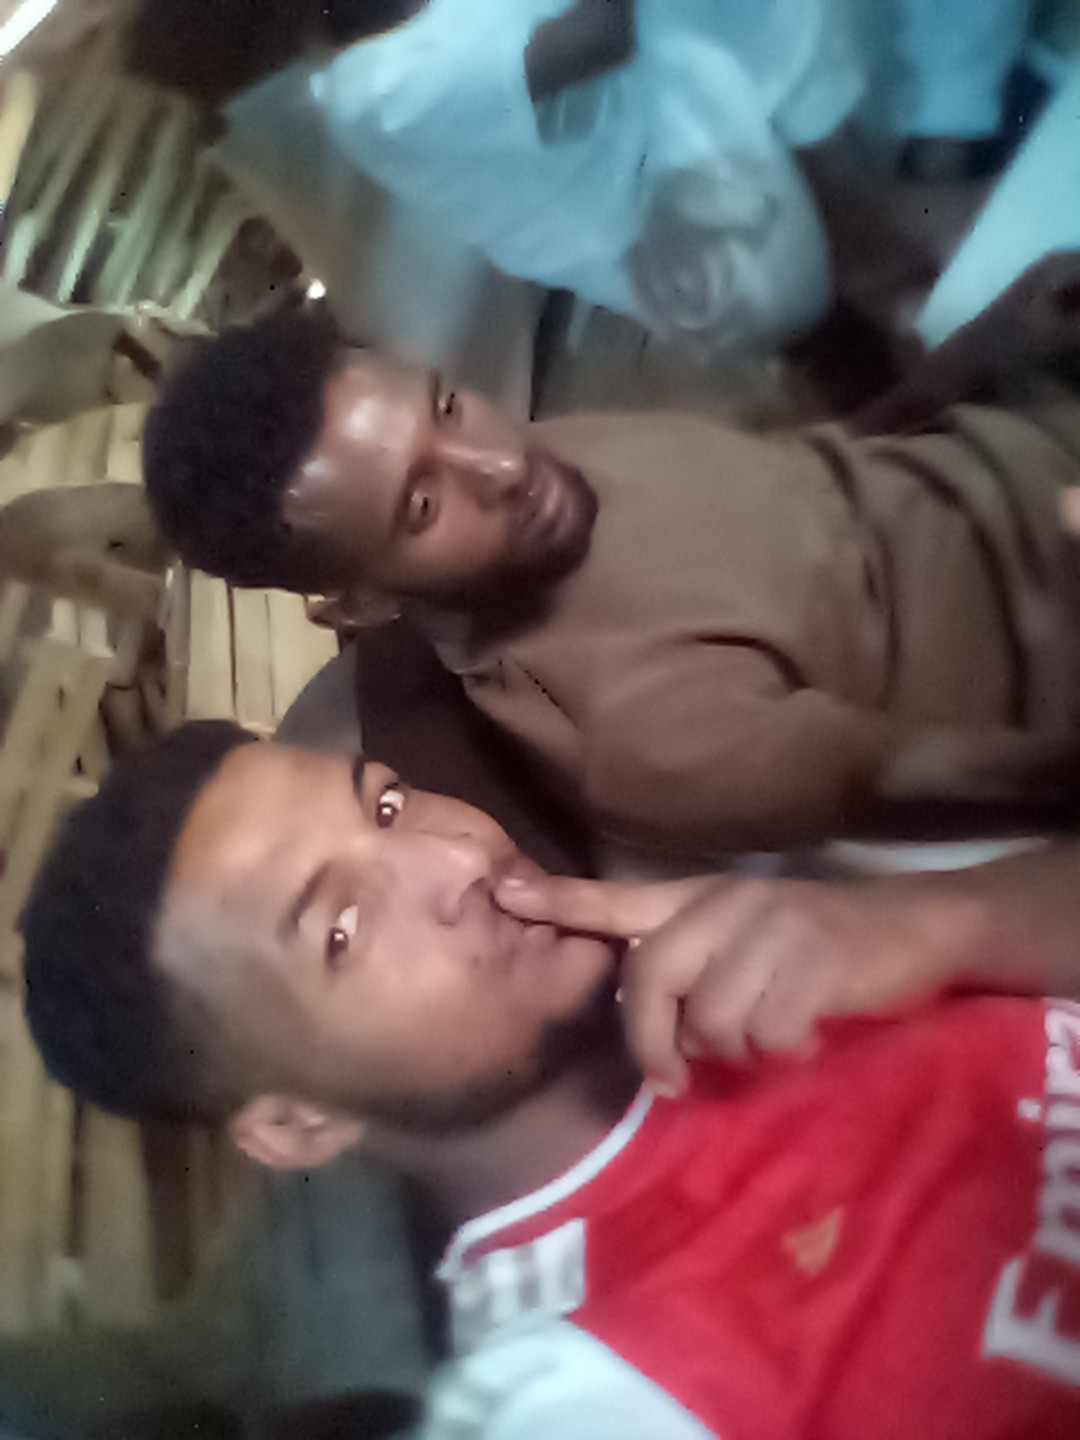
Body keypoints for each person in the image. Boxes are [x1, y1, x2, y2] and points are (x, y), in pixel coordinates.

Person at [19, 722, 1080, 1438]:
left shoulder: (750, 922)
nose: (460, 862)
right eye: (342, 928)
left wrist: (940, 925)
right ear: (297, 1123)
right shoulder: (579, 1389)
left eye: (387, 807)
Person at [143, 257, 1080, 857]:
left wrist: (976, 356)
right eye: (422, 507)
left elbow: (803, 479)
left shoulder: (542, 472)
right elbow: (933, 777)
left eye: (447, 406)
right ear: (361, 603)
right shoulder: (637, 735)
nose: (503, 465)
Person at [129, 0, 865, 356]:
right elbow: (605, 33)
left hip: (690, 174)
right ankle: (882, 284)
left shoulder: (394, 30)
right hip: (711, 262)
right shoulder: (378, 93)